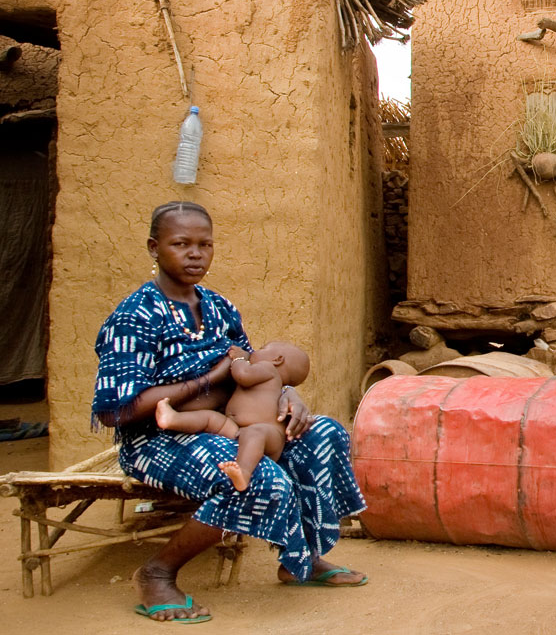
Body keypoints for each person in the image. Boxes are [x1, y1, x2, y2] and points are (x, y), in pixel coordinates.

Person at [93, 201, 368, 624]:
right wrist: (205, 381)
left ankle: (300, 558)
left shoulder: (219, 307)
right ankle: (156, 572)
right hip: (159, 438)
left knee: (325, 433)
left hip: (234, 424)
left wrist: (289, 395)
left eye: (204, 244)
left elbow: (256, 366)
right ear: (154, 248)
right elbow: (118, 411)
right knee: (256, 475)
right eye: (180, 244)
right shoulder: (135, 317)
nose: (195, 254)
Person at [154, 341, 311, 492]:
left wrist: (239, 358)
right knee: (210, 418)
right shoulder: (267, 379)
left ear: (277, 360)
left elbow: (242, 375)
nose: (254, 351)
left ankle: (243, 471)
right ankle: (172, 419)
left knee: (254, 432)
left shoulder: (268, 369)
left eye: (262, 348)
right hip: (237, 428)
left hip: (267, 433)